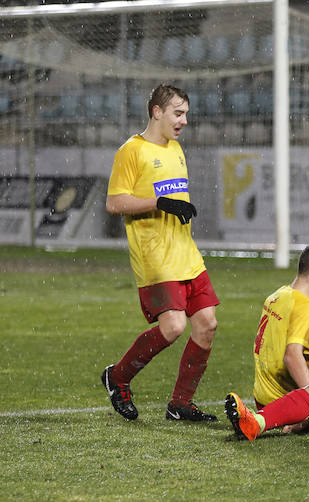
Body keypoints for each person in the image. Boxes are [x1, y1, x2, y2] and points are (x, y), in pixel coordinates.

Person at [101, 84, 219, 422]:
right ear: (157, 112)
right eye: (178, 113)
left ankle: (180, 404)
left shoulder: (176, 149)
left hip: (186, 252)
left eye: (186, 115)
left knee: (207, 324)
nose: (183, 121)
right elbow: (114, 202)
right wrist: (157, 202)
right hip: (155, 256)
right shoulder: (131, 151)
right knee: (173, 327)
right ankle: (118, 377)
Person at [252, 242, 309, 409]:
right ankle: (304, 415)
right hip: (282, 403)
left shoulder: (280, 295)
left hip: (262, 397)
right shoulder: (306, 309)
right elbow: (292, 357)